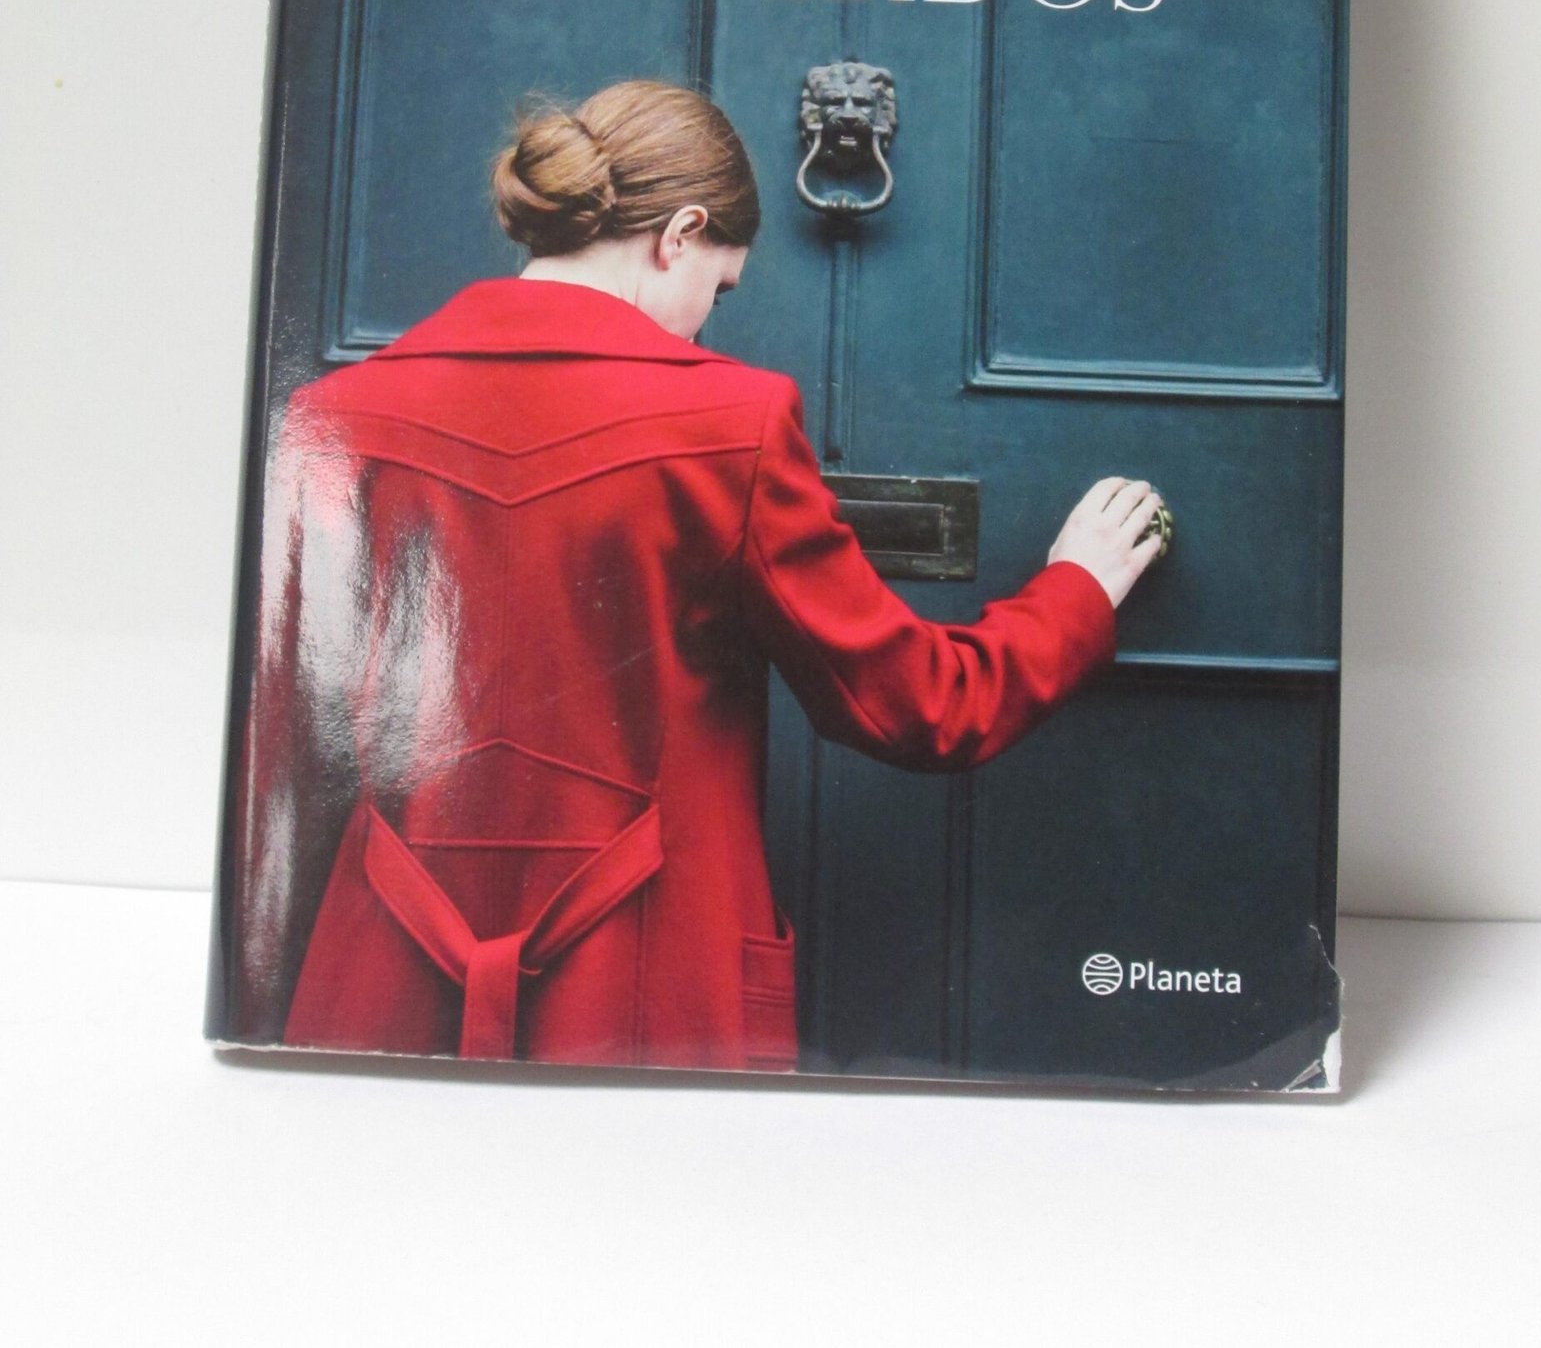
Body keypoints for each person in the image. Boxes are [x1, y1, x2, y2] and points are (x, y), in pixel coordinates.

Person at [230, 79, 1165, 1069]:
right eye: (718, 292)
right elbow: (922, 704)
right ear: (679, 234)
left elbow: (282, 777)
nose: (702, 325)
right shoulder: (730, 427)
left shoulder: (331, 419)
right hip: (647, 997)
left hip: (377, 990)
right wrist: (1077, 589)